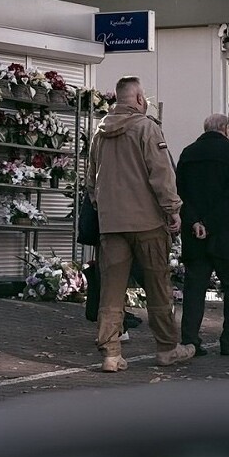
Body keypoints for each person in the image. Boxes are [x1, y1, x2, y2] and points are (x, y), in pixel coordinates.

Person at [86, 75, 195, 372]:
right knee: (158, 286)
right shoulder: (147, 128)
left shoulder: (99, 133)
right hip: (147, 222)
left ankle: (110, 353)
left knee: (111, 290)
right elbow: (161, 175)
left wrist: (103, 208)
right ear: (137, 99)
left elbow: (91, 179)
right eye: (143, 96)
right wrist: (173, 210)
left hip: (111, 224)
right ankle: (167, 349)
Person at [176, 114, 229, 357]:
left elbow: (180, 195)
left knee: (194, 287)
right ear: (226, 128)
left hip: (193, 230)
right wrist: (210, 224)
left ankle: (190, 339)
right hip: (224, 231)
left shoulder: (188, 153)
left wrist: (196, 222)